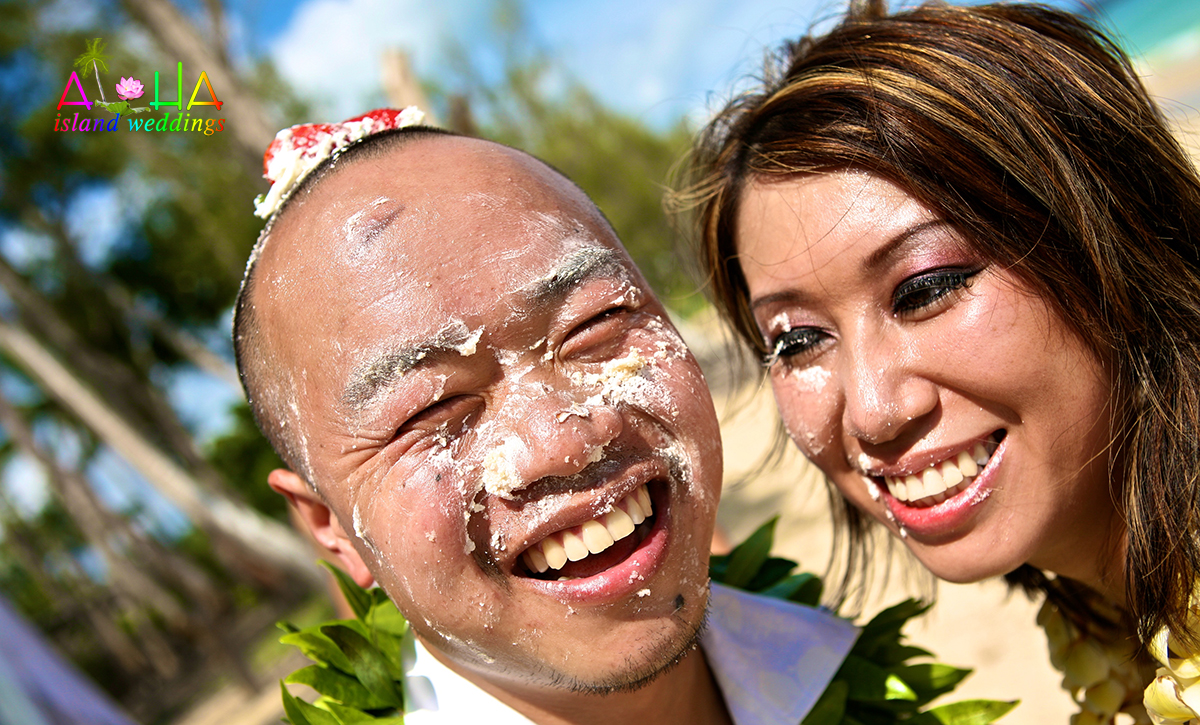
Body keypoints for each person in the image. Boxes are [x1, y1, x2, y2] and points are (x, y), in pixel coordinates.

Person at [232, 110, 858, 724]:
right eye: (432, 408)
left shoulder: (830, 660)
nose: (565, 441)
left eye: (593, 326)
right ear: (330, 526)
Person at [681, 1, 1200, 721]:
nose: (871, 409)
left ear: (1115, 234)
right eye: (797, 340)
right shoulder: (1116, 614)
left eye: (926, 287)